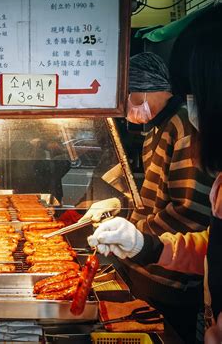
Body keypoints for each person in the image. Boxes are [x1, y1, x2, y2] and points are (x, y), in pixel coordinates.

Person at [84, 52, 214, 342]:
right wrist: (123, 217)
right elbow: (153, 193)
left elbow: (189, 210)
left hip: (171, 277)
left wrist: (138, 239)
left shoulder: (184, 126)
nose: (125, 110)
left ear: (140, 90)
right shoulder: (157, 127)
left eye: (126, 98)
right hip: (149, 267)